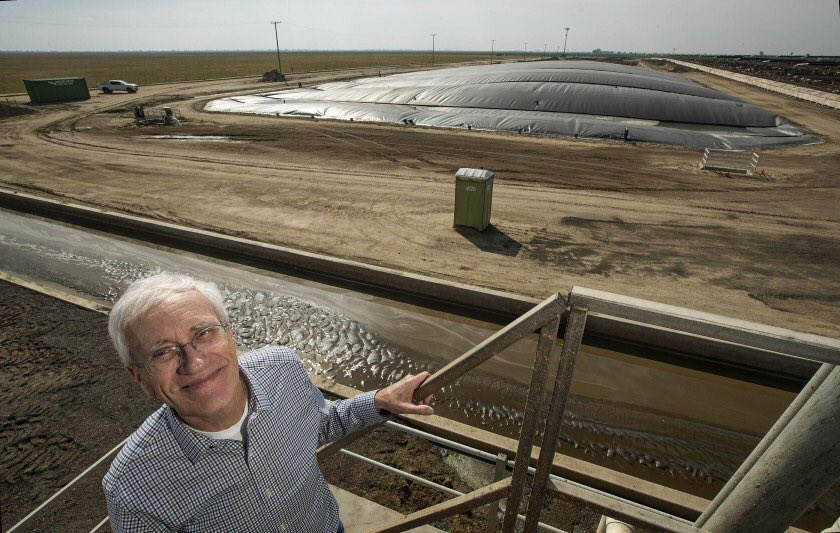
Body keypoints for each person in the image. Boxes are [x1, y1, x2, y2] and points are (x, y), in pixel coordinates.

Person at [103, 273, 433, 532]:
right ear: (139, 376)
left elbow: (318, 423)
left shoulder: (282, 369)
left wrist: (378, 401)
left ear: (230, 335)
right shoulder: (132, 490)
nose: (194, 362)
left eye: (203, 333)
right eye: (162, 352)